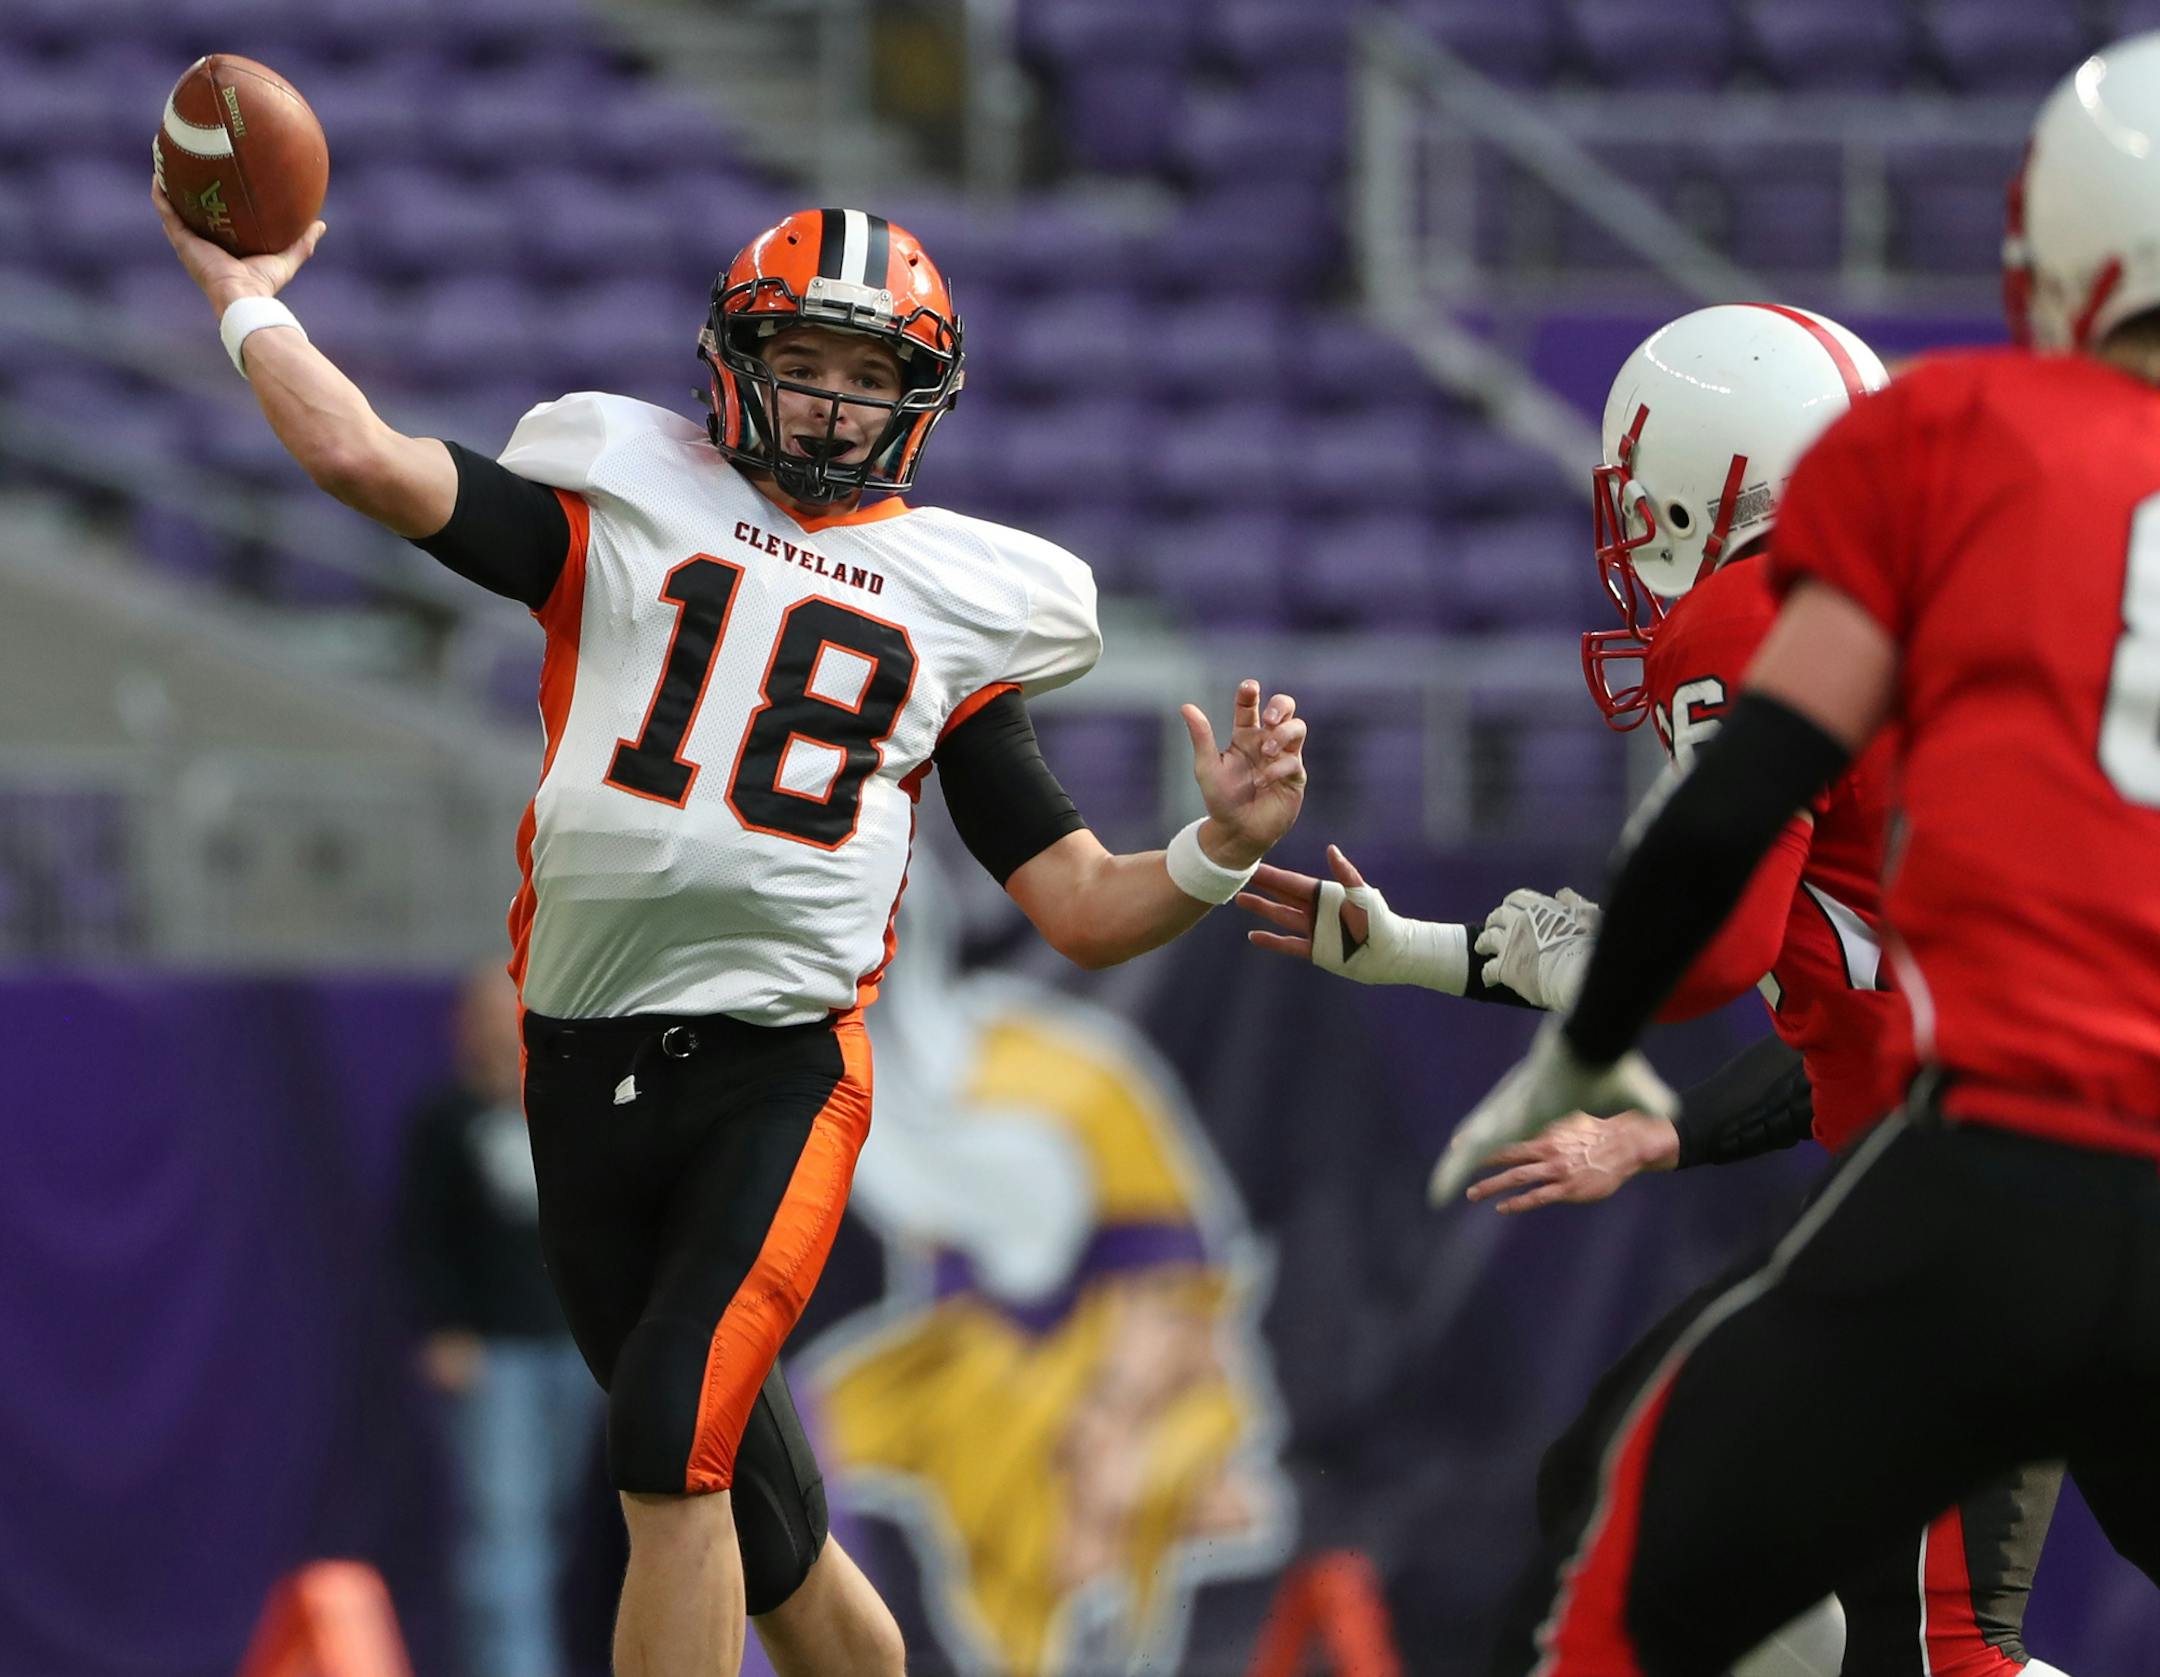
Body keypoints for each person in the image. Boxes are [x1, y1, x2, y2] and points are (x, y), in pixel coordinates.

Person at [153, 191, 1310, 1677]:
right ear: (736, 357)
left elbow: (1079, 902)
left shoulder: (960, 600)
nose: (837, 400)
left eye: (874, 373)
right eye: (812, 359)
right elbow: (358, 453)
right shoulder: (626, 485)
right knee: (766, 1531)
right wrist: (249, 296)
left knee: (664, 1454)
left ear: (922, 400)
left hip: (776, 1072)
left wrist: (1217, 848)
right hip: (574, 1065)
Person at [1430, 34, 2160, 1673]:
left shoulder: (1958, 454)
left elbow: (1729, 870)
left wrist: (1596, 1022)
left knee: (1631, 1555)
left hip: (2012, 1160)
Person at [1240, 304, 2072, 1676]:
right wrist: (1431, 954)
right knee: (1677, 1511)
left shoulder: (1757, 611)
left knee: (1912, 1638)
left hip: (1989, 1191)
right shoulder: (1951, 592)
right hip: (2046, 1151)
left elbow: (1714, 951)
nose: (1630, 545)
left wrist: (1591, 964)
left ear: (1709, 479)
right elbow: (1868, 1007)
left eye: (1640, 506)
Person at [399, 961, 601, 1677]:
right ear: (463, 1026)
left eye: (507, 1010)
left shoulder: (566, 1107)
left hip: (575, 1349)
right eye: (482, 1012)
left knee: (553, 1521)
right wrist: (446, 1327)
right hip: (494, 1355)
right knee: (504, 1528)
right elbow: (420, 1235)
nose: (495, 1024)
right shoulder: (446, 1119)